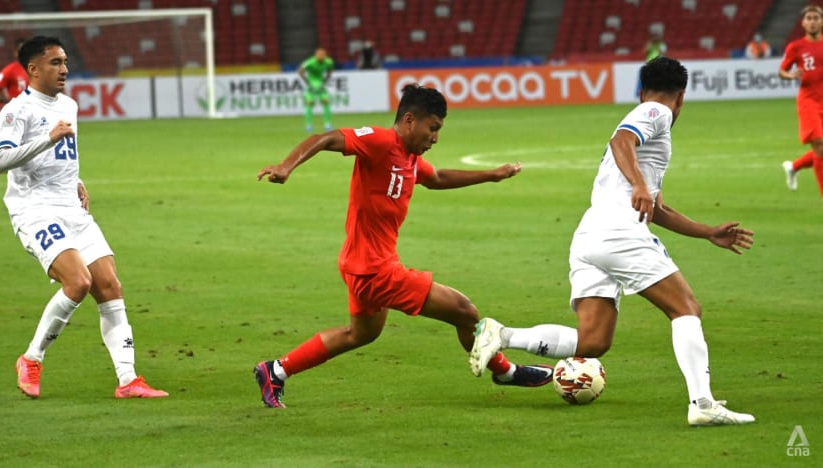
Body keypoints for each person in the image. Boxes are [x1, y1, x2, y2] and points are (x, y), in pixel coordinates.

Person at [470, 57, 756, 427]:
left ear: (640, 88)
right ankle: (702, 403)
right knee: (686, 309)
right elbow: (621, 139)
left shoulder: (648, 129)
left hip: (591, 233)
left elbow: (658, 208)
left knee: (593, 341)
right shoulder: (656, 111)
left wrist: (707, 232)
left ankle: (501, 334)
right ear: (681, 97)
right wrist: (638, 183)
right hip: (620, 232)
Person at [253, 84, 553, 408]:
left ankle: (276, 370)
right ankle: (505, 371)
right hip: (374, 270)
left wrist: (492, 175)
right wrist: (286, 166)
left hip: (363, 264)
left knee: (361, 334)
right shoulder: (381, 142)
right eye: (433, 128)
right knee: (465, 312)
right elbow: (326, 137)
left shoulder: (409, 157)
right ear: (409, 120)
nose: (435, 138)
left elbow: (437, 177)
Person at [0, 36, 168, 399]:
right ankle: (31, 358)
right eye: (56, 63)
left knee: (110, 286)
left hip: (72, 209)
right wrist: (47, 137)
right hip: (35, 210)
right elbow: (4, 159)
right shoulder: (16, 111)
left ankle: (128, 380)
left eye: (65, 62)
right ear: (33, 69)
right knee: (78, 282)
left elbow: (63, 154)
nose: (65, 70)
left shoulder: (69, 105)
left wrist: (77, 180)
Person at [780, 5, 823, 195]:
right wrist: (791, 75)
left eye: (816, 18)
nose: (813, 21)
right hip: (809, 102)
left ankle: (794, 166)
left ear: (821, 21)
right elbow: (782, 71)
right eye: (809, 18)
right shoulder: (796, 47)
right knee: (820, 145)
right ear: (803, 23)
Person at [0, 38, 28, 188]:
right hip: (13, 114)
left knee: (27, 145)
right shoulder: (10, 69)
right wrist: (8, 102)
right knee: (10, 146)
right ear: (16, 52)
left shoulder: (35, 68)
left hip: (31, 113)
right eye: (20, 50)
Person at [298, 47, 334, 132]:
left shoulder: (328, 62)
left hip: (321, 84)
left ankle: (328, 124)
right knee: (310, 103)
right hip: (311, 84)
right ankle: (308, 125)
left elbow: (330, 70)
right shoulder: (310, 62)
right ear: (316, 55)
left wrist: (325, 80)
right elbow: (301, 71)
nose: (321, 56)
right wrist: (307, 82)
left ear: (325, 55)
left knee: (326, 101)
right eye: (319, 54)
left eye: (323, 54)